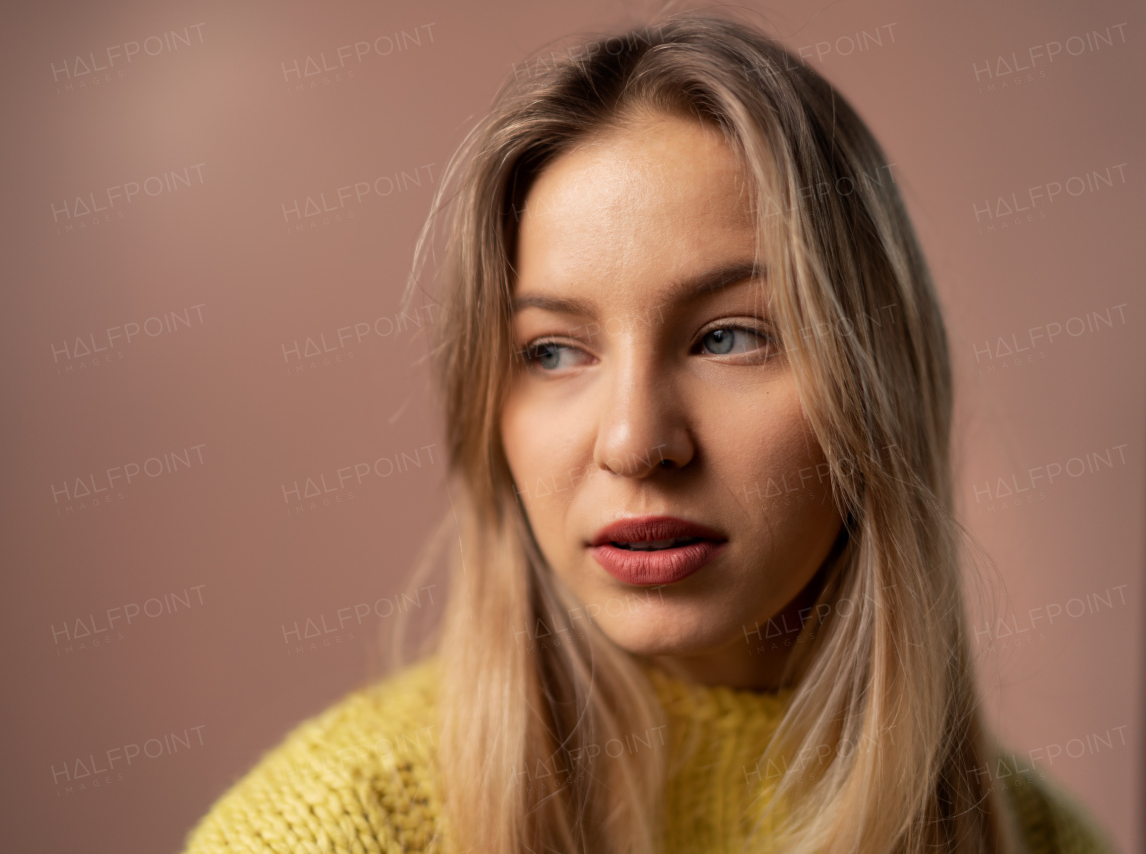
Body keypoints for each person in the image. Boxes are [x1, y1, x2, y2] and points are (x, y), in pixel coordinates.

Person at [181, 13, 1116, 854]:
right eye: (551, 352)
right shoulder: (328, 830)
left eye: (729, 337)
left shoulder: (1039, 839)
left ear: (879, 387)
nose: (634, 443)